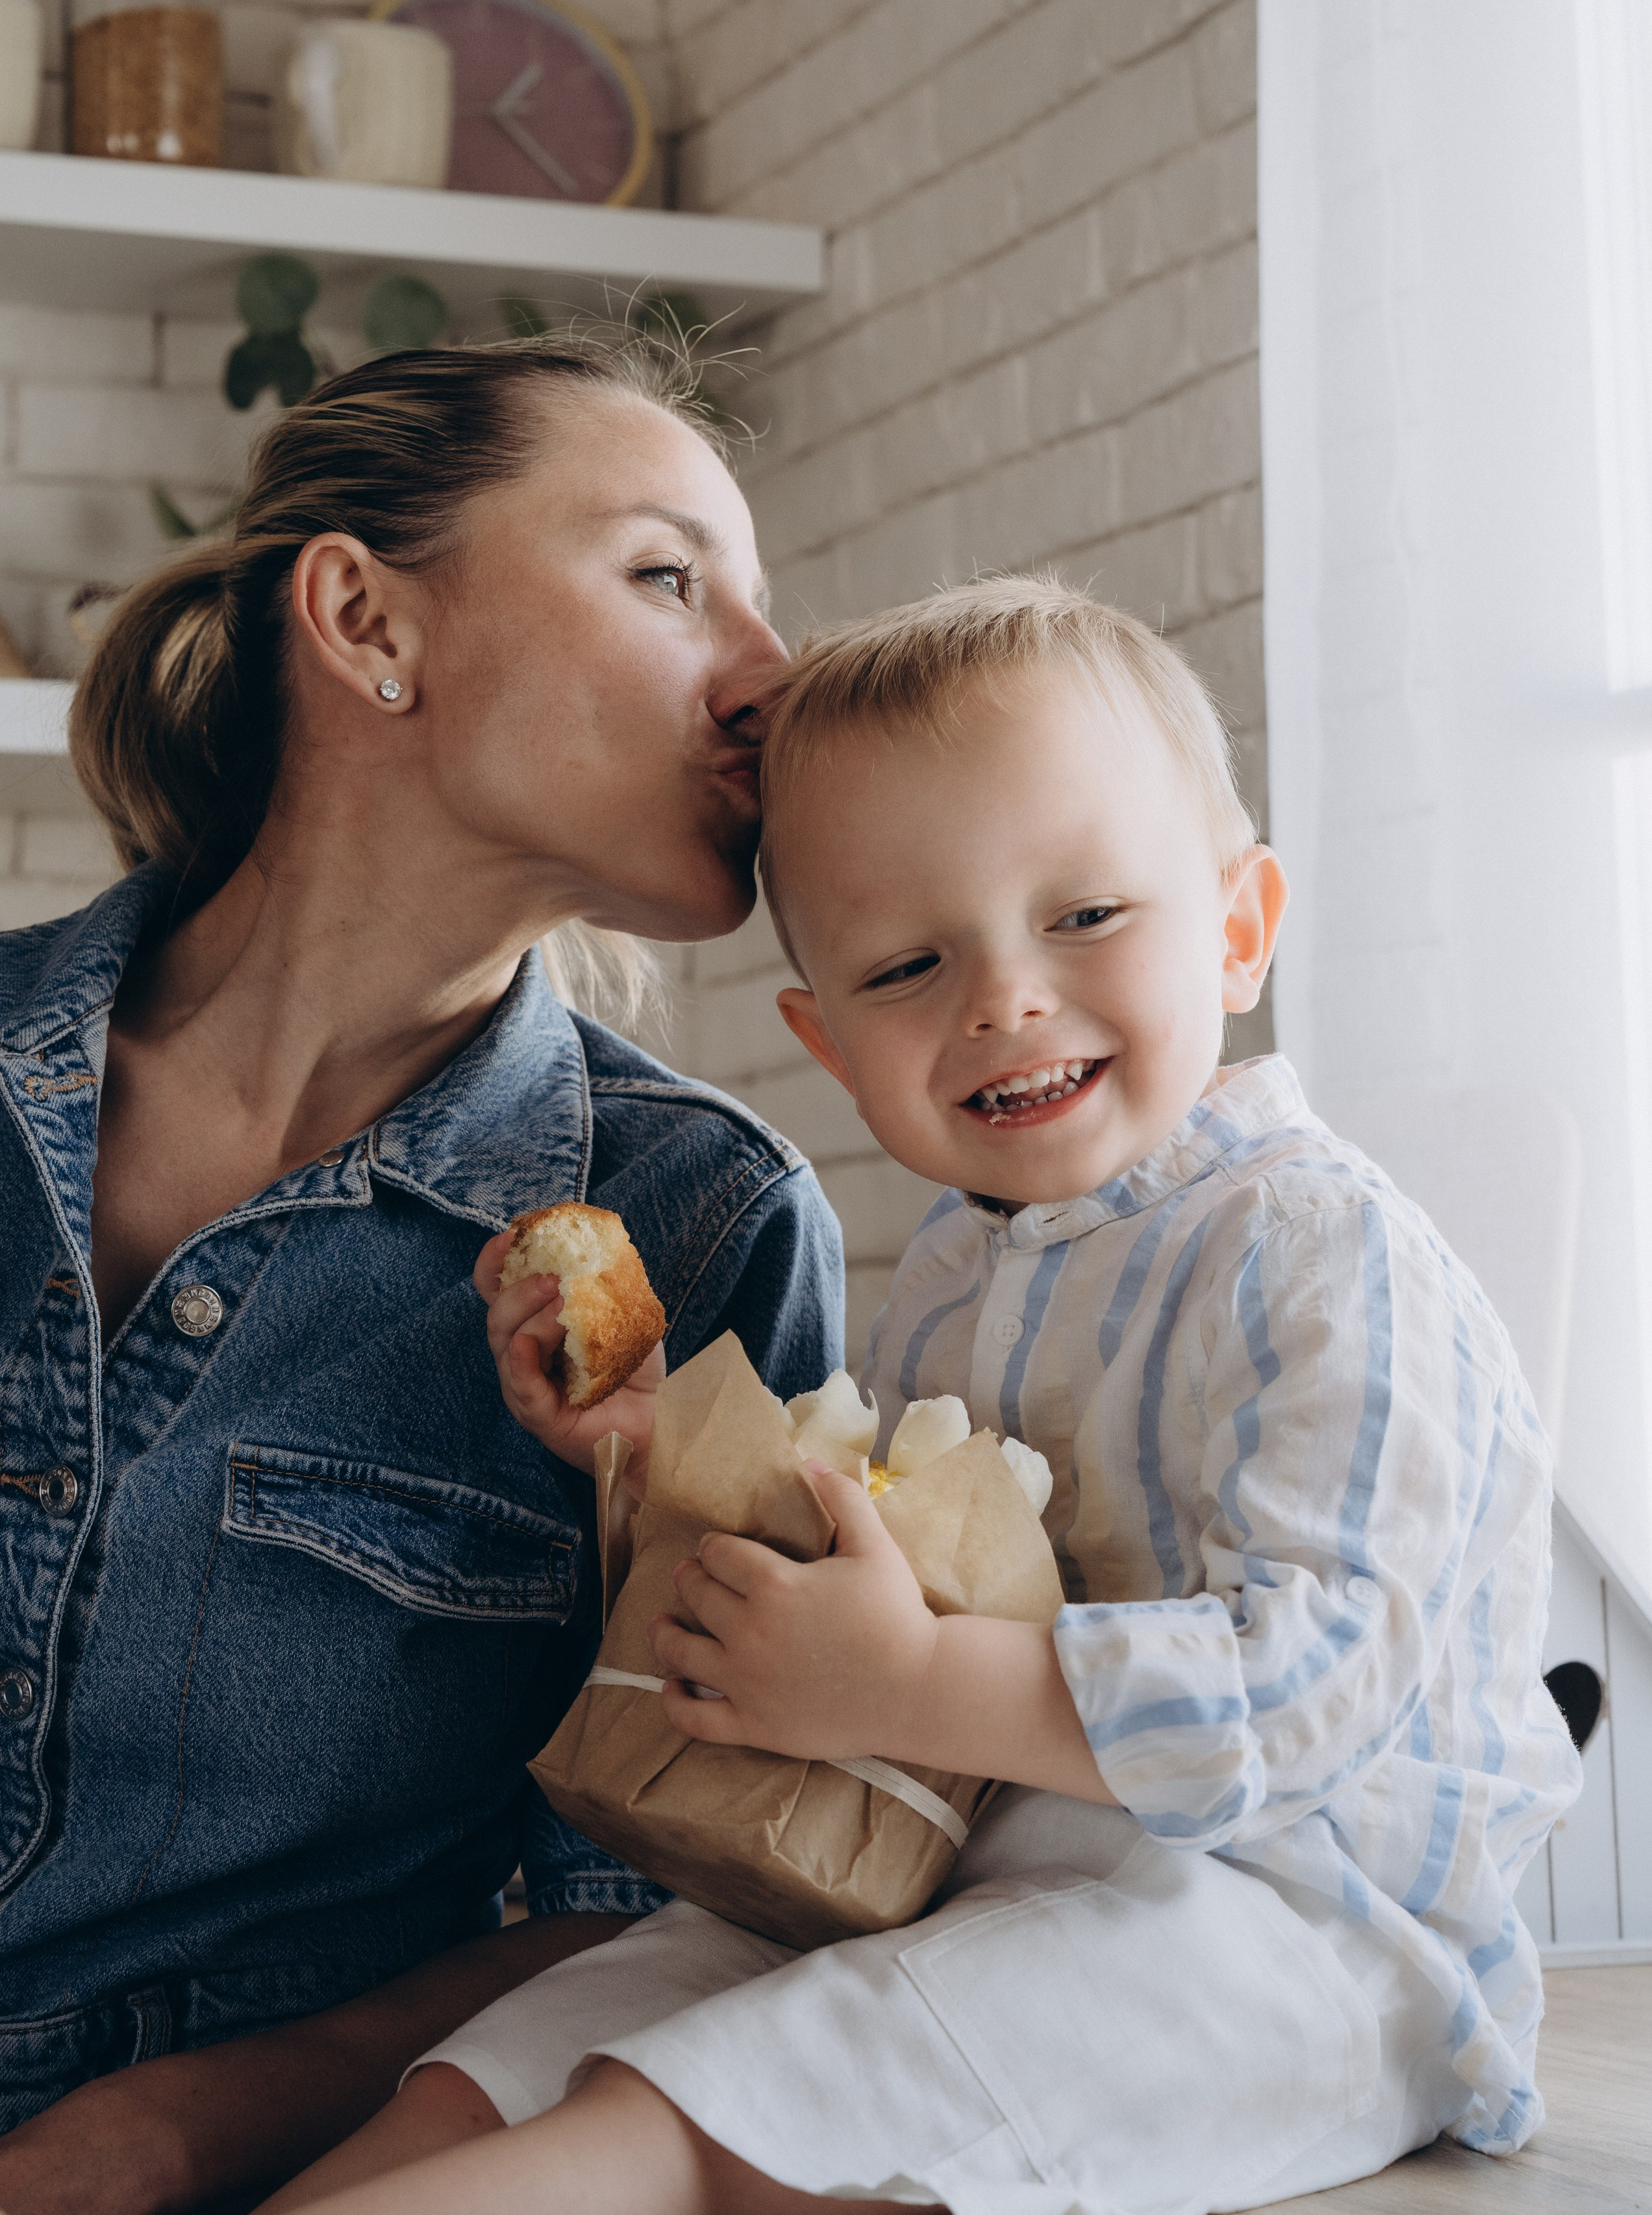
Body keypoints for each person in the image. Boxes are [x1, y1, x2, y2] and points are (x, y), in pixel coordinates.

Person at [275, 577, 1582, 2215]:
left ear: (1240, 928)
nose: (1000, 998)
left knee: (715, 2119)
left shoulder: (1321, 1253)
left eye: (1086, 916)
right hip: (957, 1868)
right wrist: (654, 1453)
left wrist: (909, 1681)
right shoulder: (967, 1274)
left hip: (1292, 1935)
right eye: (905, 965)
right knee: (528, 2054)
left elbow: (1308, 1696)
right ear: (827, 1047)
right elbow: (876, 1560)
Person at [0, 338, 843, 2215]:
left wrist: (162, 2136)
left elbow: (689, 1905)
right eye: (668, 576)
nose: (773, 677)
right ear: (369, 622)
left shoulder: (706, 1225)